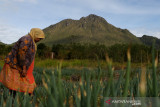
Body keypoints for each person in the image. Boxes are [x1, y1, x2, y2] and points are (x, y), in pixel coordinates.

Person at [0, 28, 45, 95]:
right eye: (39, 38)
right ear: (35, 35)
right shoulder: (26, 39)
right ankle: (17, 100)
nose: (39, 40)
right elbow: (21, 53)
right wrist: (24, 68)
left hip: (21, 65)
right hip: (16, 64)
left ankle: (18, 99)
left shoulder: (31, 40)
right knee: (15, 82)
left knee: (18, 82)